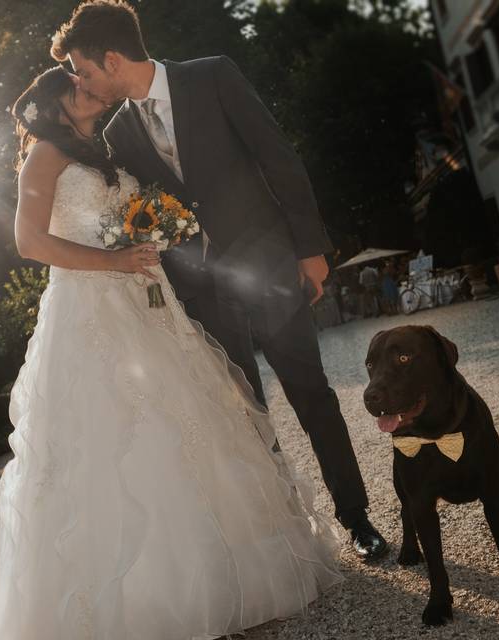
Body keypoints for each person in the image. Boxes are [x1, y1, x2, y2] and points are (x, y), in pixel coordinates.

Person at [0, 65, 343, 640]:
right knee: (124, 434)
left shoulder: (103, 150)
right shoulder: (45, 157)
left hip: (147, 299)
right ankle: (153, 599)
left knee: (193, 419)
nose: (89, 89)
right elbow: (29, 243)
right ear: (56, 106)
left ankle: (237, 574)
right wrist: (112, 261)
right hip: (89, 308)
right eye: (76, 87)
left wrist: (153, 234)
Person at [58, 0, 387, 561]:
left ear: (112, 59)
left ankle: (356, 518)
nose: (83, 84)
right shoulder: (120, 134)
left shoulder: (212, 75)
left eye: (84, 71)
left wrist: (311, 248)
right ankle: (289, 528)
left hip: (269, 265)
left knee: (312, 394)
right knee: (245, 413)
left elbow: (278, 157)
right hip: (203, 292)